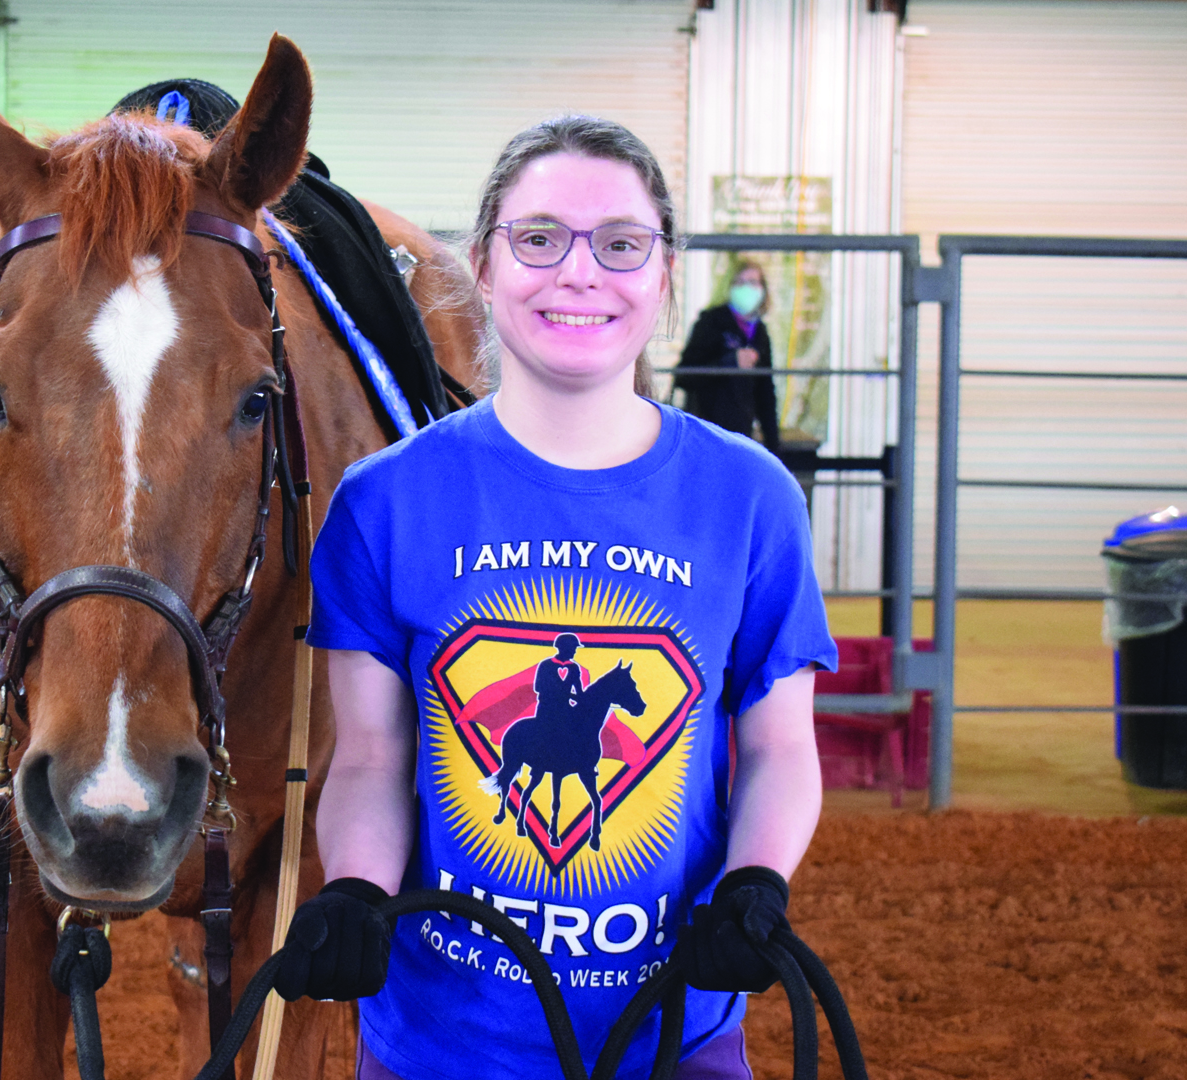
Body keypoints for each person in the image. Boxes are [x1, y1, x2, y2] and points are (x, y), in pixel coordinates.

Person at [280, 115, 837, 1080]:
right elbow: (370, 757)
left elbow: (781, 747)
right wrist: (359, 893)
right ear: (483, 266)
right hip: (438, 1047)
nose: (580, 271)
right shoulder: (382, 503)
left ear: (663, 278)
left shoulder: (752, 500)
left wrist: (756, 882)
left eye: (621, 244)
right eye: (539, 238)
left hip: (675, 1035)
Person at [673, 261, 781, 450]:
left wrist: (774, 449)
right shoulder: (711, 322)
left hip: (740, 438)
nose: (747, 289)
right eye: (740, 282)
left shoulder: (759, 333)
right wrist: (729, 363)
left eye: (753, 282)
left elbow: (765, 394)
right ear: (730, 287)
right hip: (706, 435)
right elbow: (685, 376)